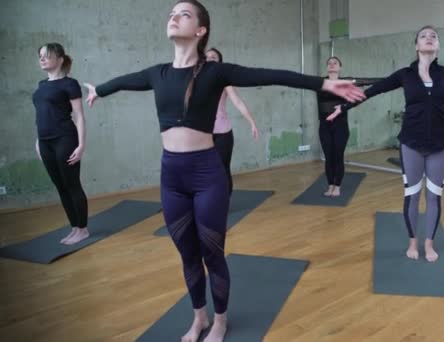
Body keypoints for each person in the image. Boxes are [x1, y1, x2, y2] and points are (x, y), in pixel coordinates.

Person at [83, 1, 365, 341]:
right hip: (171, 176)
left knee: (211, 252)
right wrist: (98, 90)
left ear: (201, 31)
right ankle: (198, 317)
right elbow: (123, 82)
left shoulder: (215, 72)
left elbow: (271, 75)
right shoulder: (156, 73)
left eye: (184, 14)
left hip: (206, 174)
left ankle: (220, 320)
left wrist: (322, 83)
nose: (174, 17)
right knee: (187, 254)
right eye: (171, 13)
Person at [327, 26, 444, 263]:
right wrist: (344, 106)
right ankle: (412, 242)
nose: (429, 38)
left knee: (434, 196)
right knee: (412, 194)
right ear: (416, 46)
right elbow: (372, 91)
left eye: (434, 36)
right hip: (411, 142)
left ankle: (428, 243)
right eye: (423, 36)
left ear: (437, 46)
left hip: (440, 143)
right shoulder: (404, 74)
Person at [33, 43, 89, 245]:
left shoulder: (69, 84)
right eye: (40, 56)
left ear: (60, 59)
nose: (42, 59)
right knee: (60, 187)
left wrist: (81, 145)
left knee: (72, 184)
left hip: (65, 139)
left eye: (46, 55)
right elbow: (40, 116)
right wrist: (38, 141)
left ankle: (83, 229)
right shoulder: (41, 85)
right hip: (45, 142)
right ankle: (74, 227)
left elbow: (79, 117)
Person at [317, 56, 380, 197]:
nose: (332, 65)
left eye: (335, 63)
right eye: (329, 63)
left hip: (340, 126)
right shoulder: (320, 83)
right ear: (327, 67)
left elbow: (367, 81)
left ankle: (337, 186)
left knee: (338, 156)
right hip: (324, 126)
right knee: (329, 157)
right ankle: (330, 185)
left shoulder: (346, 82)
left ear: (340, 67)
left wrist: (392, 81)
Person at [205, 47, 259, 195]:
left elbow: (238, 102)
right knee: (203, 170)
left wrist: (252, 122)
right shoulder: (195, 80)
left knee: (222, 168)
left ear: (219, 62)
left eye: (213, 57)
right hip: (202, 134)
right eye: (207, 57)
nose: (210, 59)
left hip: (222, 133)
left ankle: (224, 201)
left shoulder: (224, 81)